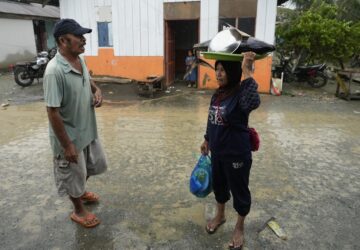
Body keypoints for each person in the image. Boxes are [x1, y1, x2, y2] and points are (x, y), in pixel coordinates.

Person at [43, 19, 107, 228]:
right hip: (69, 137)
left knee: (88, 167)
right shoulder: (54, 71)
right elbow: (52, 112)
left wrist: (96, 90)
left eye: (83, 36)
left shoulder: (80, 60)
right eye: (78, 36)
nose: (83, 40)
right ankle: (78, 210)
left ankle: (80, 191)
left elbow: (88, 80)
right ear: (63, 40)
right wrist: (67, 145)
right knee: (72, 175)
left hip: (87, 130)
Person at [200, 52, 260, 249]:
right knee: (219, 186)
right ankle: (221, 215)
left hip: (237, 154)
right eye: (217, 69)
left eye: (223, 70)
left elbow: (252, 102)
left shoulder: (241, 93)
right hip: (218, 152)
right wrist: (207, 139)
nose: (218, 74)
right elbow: (211, 119)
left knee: (239, 191)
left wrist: (247, 71)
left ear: (232, 72)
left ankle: (239, 227)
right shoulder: (218, 94)